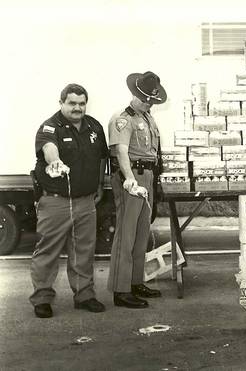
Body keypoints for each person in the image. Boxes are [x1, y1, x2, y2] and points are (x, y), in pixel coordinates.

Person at [30, 84, 108, 318]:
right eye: (72, 103)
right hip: (56, 202)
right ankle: (42, 298)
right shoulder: (50, 127)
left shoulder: (94, 126)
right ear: (62, 102)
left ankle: (84, 295)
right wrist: (54, 161)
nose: (77, 108)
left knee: (84, 250)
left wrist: (98, 186)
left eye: (81, 103)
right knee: (48, 250)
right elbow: (49, 148)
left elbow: (102, 157)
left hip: (86, 201)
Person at [107, 71, 166, 308]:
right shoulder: (123, 119)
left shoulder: (148, 118)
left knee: (142, 233)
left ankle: (135, 282)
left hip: (148, 176)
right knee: (126, 234)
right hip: (131, 177)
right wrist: (130, 180)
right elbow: (121, 152)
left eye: (151, 99)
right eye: (144, 98)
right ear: (134, 94)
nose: (148, 102)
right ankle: (121, 291)